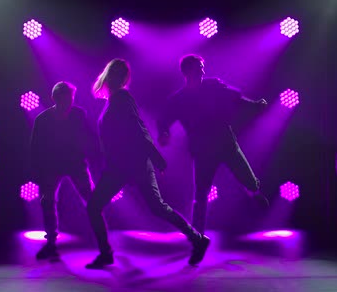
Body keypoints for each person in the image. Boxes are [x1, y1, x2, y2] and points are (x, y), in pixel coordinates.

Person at [85, 58, 210, 269]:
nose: (115, 77)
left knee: (156, 208)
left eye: (119, 74)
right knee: (99, 207)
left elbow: (138, 128)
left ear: (121, 78)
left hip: (133, 163)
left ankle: (197, 239)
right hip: (121, 165)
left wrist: (155, 156)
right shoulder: (115, 99)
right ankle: (106, 253)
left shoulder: (122, 98)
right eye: (113, 73)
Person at [156, 54, 269, 235]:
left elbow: (236, 99)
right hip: (203, 152)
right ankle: (198, 237)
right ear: (187, 71)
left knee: (248, 179)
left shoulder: (213, 85)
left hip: (226, 143)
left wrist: (255, 105)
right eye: (199, 67)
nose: (202, 69)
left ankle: (254, 192)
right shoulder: (179, 99)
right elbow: (164, 119)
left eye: (202, 66)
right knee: (201, 195)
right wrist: (163, 132)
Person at [29, 81, 100, 262]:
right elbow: (35, 148)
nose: (69, 101)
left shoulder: (73, 115)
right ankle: (53, 243)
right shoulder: (51, 118)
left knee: (89, 201)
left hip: (70, 163)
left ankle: (101, 242)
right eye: (66, 97)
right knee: (50, 202)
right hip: (57, 164)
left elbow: (88, 138)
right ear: (55, 98)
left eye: (70, 97)